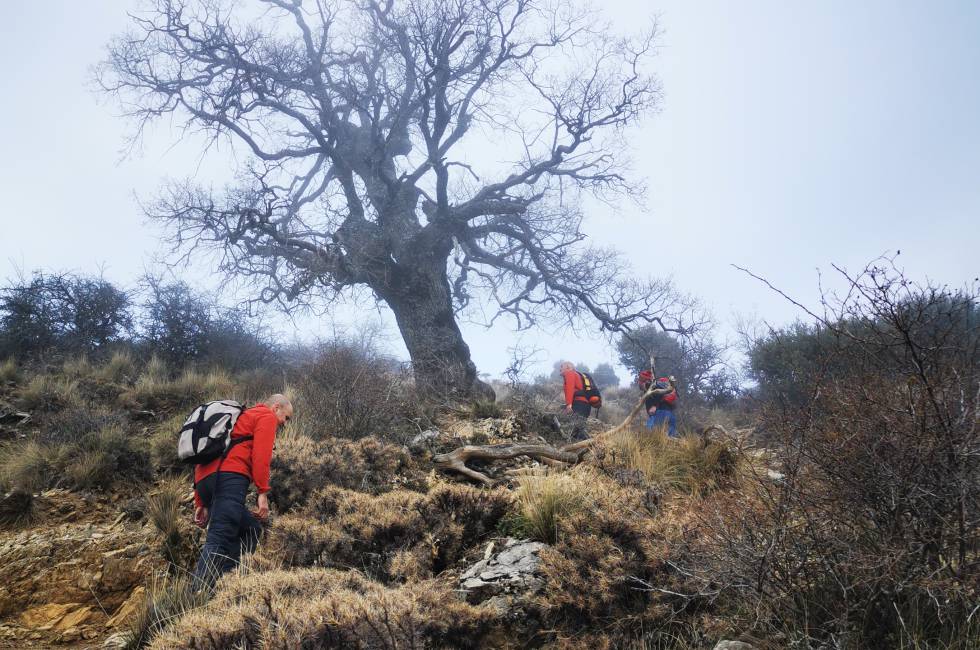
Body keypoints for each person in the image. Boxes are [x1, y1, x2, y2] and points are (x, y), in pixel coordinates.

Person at [192, 394, 293, 587]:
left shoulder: (240, 418)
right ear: (276, 408)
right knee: (219, 538)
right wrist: (262, 492)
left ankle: (226, 583)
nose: (285, 423)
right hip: (229, 478)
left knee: (251, 529)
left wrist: (201, 501)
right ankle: (197, 595)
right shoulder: (266, 416)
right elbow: (261, 457)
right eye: (286, 417)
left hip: (206, 480)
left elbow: (204, 457)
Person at [639, 372, 678, 438]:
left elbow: (658, 395)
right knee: (670, 435)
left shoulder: (651, 386)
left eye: (640, 381)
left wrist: (655, 406)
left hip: (660, 412)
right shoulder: (661, 385)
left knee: (649, 434)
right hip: (670, 413)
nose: (639, 384)